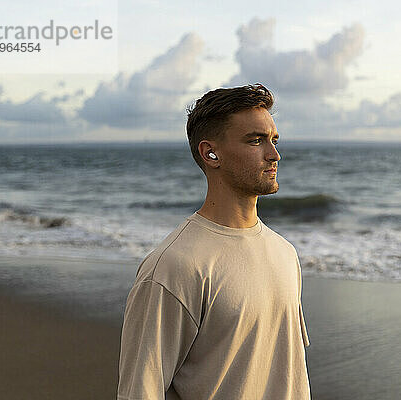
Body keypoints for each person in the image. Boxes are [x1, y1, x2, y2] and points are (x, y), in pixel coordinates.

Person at [117, 83, 311, 399]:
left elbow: (289, 373)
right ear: (211, 153)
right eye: (256, 141)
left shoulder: (285, 253)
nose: (274, 155)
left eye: (274, 140)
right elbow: (140, 390)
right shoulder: (174, 266)